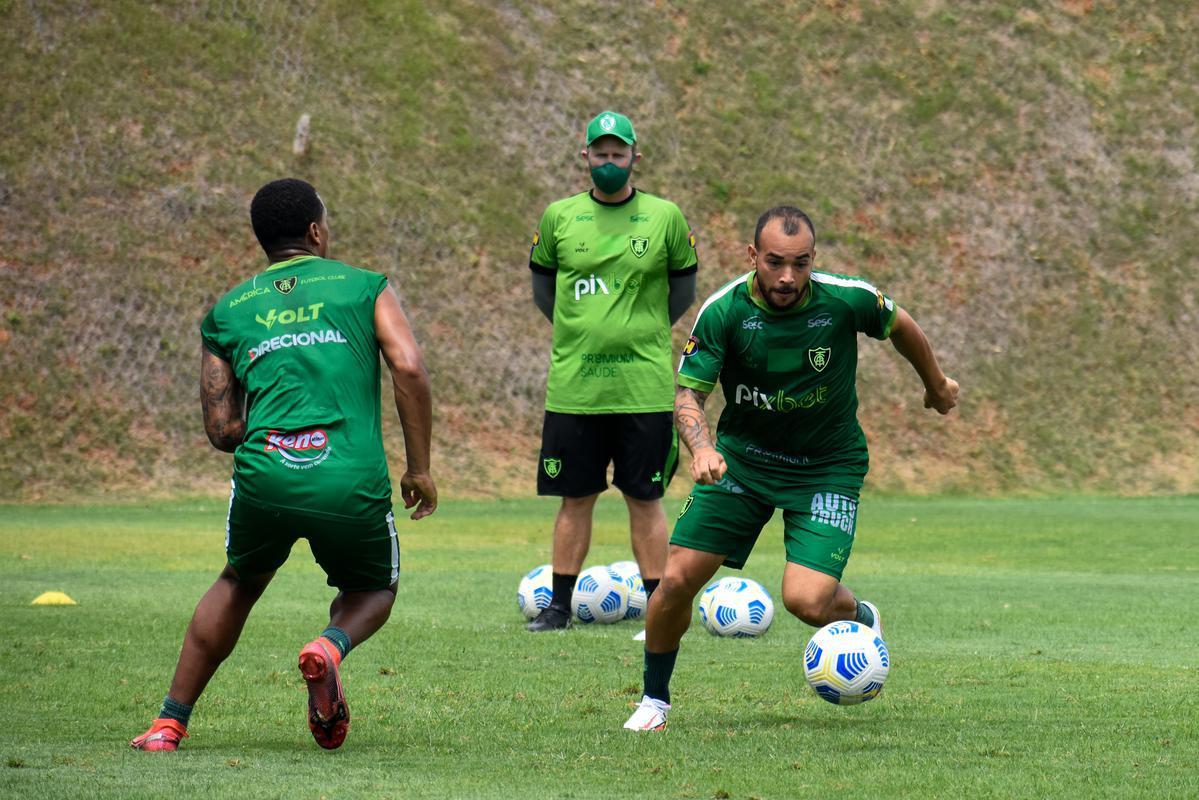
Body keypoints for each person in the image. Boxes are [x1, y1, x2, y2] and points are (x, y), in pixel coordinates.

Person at [623, 205, 959, 730]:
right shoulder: (724, 311)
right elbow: (690, 393)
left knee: (805, 601)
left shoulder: (845, 298)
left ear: (813, 260)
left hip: (827, 466)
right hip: (743, 462)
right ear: (753, 256)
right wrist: (703, 450)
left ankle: (862, 617)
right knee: (677, 580)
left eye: (800, 264)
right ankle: (654, 702)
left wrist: (935, 385)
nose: (787, 276)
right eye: (775, 262)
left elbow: (900, 324)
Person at [131, 178, 437, 752]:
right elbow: (411, 369)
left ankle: (169, 723)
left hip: (265, 476)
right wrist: (418, 468)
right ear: (316, 231)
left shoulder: (229, 310)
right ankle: (328, 647)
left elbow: (222, 430)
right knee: (373, 588)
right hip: (348, 473)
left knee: (238, 581)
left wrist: (279, 433)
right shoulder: (363, 287)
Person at [525, 110, 699, 634]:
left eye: (617, 154)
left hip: (641, 387)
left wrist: (638, 331)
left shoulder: (665, 217)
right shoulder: (559, 217)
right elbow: (544, 292)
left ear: (634, 158)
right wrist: (584, 331)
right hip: (575, 389)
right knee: (573, 498)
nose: (608, 163)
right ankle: (557, 608)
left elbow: (683, 293)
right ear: (585, 158)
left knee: (644, 498)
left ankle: (657, 610)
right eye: (599, 154)